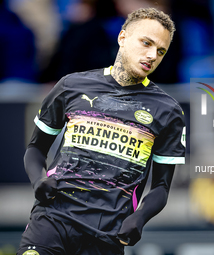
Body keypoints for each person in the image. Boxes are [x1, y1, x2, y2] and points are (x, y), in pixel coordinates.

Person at [17, 7, 186, 255]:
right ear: (122, 37)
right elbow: (35, 148)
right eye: (146, 43)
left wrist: (140, 218)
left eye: (161, 51)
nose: (152, 55)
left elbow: (161, 188)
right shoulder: (71, 85)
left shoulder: (168, 111)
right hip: (52, 219)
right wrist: (38, 180)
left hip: (106, 235)